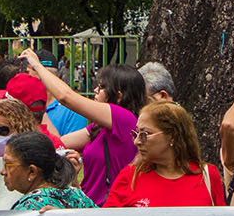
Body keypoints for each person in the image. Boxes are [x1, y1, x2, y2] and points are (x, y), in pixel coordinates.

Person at [21, 49, 147, 204]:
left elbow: (66, 97)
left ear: (119, 96)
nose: (95, 90)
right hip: (90, 207)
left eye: (101, 87)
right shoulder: (100, 128)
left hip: (109, 209)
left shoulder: (124, 119)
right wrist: (39, 110)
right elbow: (59, 143)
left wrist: (37, 66)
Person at [104, 101, 227, 207]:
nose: (137, 142)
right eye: (136, 134)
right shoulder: (129, 176)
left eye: (145, 134)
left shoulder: (207, 176)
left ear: (172, 136)